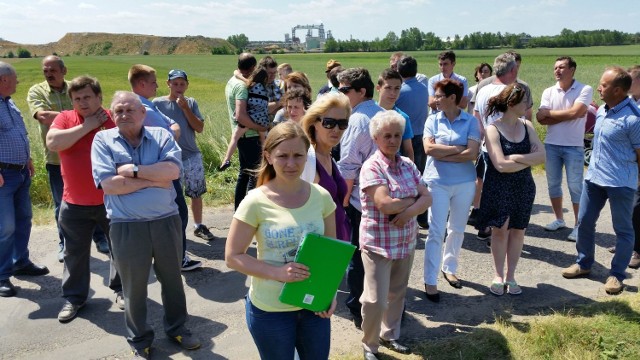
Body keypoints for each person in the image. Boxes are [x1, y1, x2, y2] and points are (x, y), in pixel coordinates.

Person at [91, 91, 200, 358]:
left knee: (172, 280)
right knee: (134, 286)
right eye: (118, 111)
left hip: (166, 221)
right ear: (112, 115)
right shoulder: (102, 140)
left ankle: (177, 328)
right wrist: (154, 177)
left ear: (143, 113)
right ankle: (139, 339)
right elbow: (109, 185)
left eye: (130, 110)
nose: (124, 114)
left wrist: (133, 171)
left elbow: (173, 172)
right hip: (126, 225)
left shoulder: (161, 135)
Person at [225, 122, 337, 360]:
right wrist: (278, 273)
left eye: (298, 155)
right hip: (270, 311)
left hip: (313, 307)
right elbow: (233, 256)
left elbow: (331, 254)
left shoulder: (321, 197)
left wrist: (330, 294)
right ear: (268, 156)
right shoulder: (254, 201)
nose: (291, 163)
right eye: (283, 156)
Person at [45, 76, 123, 321]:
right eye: (77, 98)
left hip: (112, 200)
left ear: (99, 97)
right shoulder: (65, 118)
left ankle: (122, 290)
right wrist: (88, 125)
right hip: (74, 203)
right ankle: (74, 299)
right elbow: (53, 142)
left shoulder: (113, 118)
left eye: (87, 97)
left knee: (119, 248)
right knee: (74, 254)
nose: (82, 102)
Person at [359, 110, 431, 360]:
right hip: (378, 243)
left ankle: (390, 335)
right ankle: (369, 345)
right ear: (376, 138)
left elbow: (429, 198)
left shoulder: (408, 164)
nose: (392, 140)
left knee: (397, 294)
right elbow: (385, 205)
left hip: (405, 241)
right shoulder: (372, 167)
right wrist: (413, 199)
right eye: (387, 135)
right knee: (375, 300)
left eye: (397, 135)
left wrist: (409, 210)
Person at [561, 67, 640, 295]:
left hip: (620, 183)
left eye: (603, 85)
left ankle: (616, 275)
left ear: (617, 90)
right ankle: (584, 263)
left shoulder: (633, 119)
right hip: (594, 179)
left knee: (623, 230)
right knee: (584, 222)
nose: (598, 87)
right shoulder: (603, 110)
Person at [26, 55, 109, 262]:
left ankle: (100, 238)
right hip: (56, 158)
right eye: (45, 70)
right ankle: (65, 243)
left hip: (91, 159)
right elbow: (43, 116)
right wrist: (82, 118)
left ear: (64, 70)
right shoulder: (37, 91)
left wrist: (76, 118)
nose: (48, 74)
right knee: (63, 204)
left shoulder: (76, 87)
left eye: (53, 70)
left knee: (97, 200)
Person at [128, 64, 202, 272]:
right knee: (177, 212)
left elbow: (171, 126)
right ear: (142, 84)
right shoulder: (142, 107)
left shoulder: (146, 105)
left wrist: (172, 129)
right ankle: (177, 258)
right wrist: (171, 132)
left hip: (158, 167)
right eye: (153, 82)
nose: (156, 86)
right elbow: (166, 134)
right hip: (162, 168)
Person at [477, 83, 545, 296]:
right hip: (499, 187)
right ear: (512, 103)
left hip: (524, 187)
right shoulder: (492, 129)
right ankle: (498, 275)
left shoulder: (527, 125)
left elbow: (542, 156)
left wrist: (515, 157)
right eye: (525, 100)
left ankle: (511, 276)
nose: (528, 104)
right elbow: (500, 165)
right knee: (500, 231)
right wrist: (527, 160)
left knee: (518, 231)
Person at [422, 79, 481, 302]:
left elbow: (472, 153)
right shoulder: (432, 121)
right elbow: (429, 149)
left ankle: (450, 267)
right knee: (436, 230)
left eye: (438, 96)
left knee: (456, 228)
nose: (435, 100)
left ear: (452, 98)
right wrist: (459, 149)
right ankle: (430, 279)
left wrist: (444, 152)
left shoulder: (470, 121)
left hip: (465, 182)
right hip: (437, 182)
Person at [336, 67, 384, 329]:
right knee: (377, 256)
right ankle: (376, 304)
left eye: (344, 90)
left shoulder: (357, 120)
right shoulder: (382, 114)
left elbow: (348, 166)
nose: (340, 94)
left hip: (360, 200)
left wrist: (343, 201)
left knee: (356, 256)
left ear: (361, 91)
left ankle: (357, 308)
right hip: (381, 200)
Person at [0, 61, 49, 298]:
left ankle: (21, 261)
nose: (18, 81)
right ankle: (1, 275)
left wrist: (28, 158)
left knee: (24, 219)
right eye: (15, 77)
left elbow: (19, 133)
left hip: (20, 172)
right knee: (5, 227)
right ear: (3, 80)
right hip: (3, 176)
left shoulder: (9, 104)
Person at [153, 69, 216, 242]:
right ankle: (174, 229)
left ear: (187, 85)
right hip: (169, 158)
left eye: (182, 84)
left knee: (196, 193)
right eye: (175, 83)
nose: (179, 87)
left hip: (191, 155)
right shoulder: (157, 103)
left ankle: (198, 226)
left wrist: (186, 108)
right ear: (168, 84)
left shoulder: (191, 102)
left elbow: (199, 128)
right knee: (171, 195)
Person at [536, 57, 593, 241]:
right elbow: (540, 118)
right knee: (553, 184)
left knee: (575, 186)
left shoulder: (585, 89)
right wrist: (570, 114)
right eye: (555, 68)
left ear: (572, 70)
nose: (557, 71)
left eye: (561, 67)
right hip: (552, 144)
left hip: (574, 146)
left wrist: (552, 114)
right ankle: (559, 219)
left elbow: (576, 112)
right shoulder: (548, 91)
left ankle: (579, 225)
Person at [473, 53, 521, 241]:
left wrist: (483, 141)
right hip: (508, 147)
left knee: (489, 188)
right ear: (513, 70)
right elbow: (519, 120)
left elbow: (477, 121)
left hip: (487, 147)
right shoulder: (512, 91)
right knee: (505, 193)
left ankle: (485, 226)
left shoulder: (483, 89)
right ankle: (499, 231)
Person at [300, 92, 351, 242]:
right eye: (329, 123)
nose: (336, 130)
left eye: (342, 124)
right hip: (318, 245)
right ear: (314, 122)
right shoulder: (306, 160)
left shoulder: (331, 159)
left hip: (339, 242)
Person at [224, 53, 268, 210]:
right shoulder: (242, 87)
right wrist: (260, 127)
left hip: (242, 137)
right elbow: (241, 116)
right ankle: (249, 210)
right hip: (250, 136)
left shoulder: (232, 81)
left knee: (244, 175)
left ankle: (239, 209)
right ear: (252, 68)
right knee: (255, 174)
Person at [394, 55, 430, 228]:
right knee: (420, 177)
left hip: (404, 137)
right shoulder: (424, 88)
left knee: (404, 178)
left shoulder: (401, 91)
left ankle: (407, 211)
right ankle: (423, 216)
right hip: (421, 136)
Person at [219, 67, 270, 171]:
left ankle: (226, 159)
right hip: (262, 119)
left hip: (251, 116)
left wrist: (236, 73)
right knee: (263, 139)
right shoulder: (265, 88)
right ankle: (266, 159)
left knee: (235, 137)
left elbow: (239, 77)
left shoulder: (251, 85)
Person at [466, 62, 493, 227]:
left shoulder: (493, 90)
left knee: (482, 176)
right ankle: (474, 205)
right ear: (476, 74)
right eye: (482, 71)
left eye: (487, 71)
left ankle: (482, 208)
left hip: (485, 138)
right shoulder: (472, 91)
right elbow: (472, 112)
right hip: (475, 132)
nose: (484, 73)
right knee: (476, 175)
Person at [376, 68, 414, 162]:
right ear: (378, 88)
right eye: (388, 88)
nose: (393, 93)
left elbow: (408, 150)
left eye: (397, 88)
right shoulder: (370, 113)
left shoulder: (403, 117)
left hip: (394, 168)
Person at [627, 65, 640, 269]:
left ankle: (637, 249)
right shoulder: (627, 102)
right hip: (627, 161)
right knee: (626, 203)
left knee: (637, 206)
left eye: (630, 80)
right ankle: (627, 242)